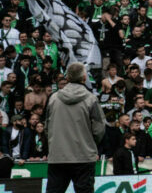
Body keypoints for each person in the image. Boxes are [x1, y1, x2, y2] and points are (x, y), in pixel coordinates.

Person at [45, 62, 106, 193]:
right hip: (83, 156)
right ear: (84, 77)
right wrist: (90, 144)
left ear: (67, 78)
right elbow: (99, 129)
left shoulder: (53, 98)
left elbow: (46, 126)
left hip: (58, 156)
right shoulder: (91, 99)